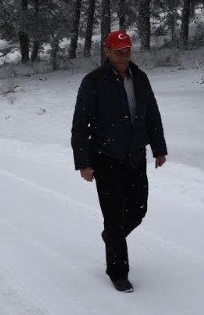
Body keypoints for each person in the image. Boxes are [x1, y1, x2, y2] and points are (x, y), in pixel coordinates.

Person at [71, 29, 167, 293]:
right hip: (106, 159)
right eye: (119, 52)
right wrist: (84, 163)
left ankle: (112, 238)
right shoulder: (93, 82)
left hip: (135, 157)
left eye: (127, 51)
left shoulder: (140, 78)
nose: (124, 56)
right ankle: (118, 272)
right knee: (114, 217)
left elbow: (152, 115)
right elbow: (80, 125)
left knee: (138, 210)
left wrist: (159, 149)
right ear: (108, 52)